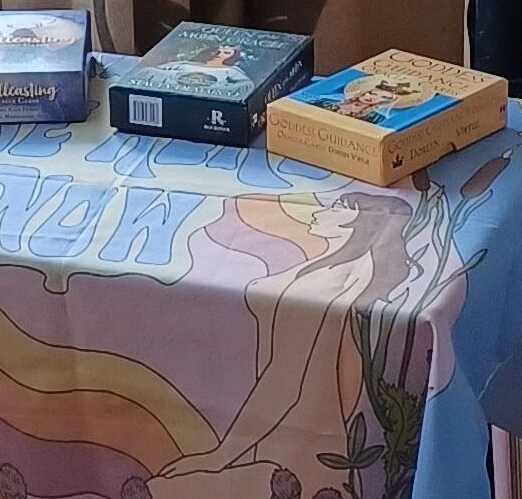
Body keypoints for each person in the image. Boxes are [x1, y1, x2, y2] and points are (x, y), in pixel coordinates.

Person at [165, 192, 413, 476]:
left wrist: (220, 457)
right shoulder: (339, 269)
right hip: (293, 436)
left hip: (293, 444)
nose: (321, 211)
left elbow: (284, 380)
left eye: (339, 207)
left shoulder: (327, 283)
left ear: (359, 221)